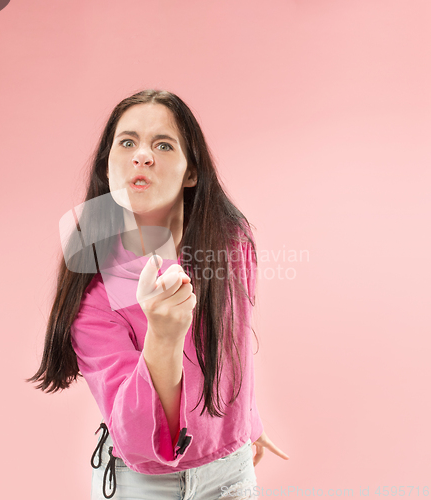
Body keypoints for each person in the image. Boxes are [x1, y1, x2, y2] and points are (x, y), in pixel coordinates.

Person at [27, 89, 289, 499]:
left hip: (231, 473)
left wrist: (244, 424)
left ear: (191, 172)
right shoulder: (93, 286)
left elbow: (233, 343)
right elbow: (141, 443)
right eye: (127, 142)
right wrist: (163, 337)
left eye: (163, 145)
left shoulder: (230, 241)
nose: (142, 156)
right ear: (107, 167)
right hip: (141, 483)